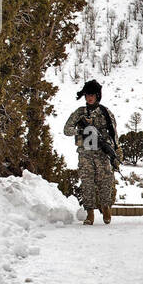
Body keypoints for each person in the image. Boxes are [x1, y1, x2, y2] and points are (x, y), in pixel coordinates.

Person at [62, 79, 118, 225]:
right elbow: (66, 130)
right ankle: (90, 213)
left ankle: (105, 208)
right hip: (85, 154)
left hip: (101, 153)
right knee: (87, 183)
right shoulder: (80, 113)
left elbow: (113, 133)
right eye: (87, 95)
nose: (89, 98)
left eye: (92, 95)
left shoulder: (105, 112)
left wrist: (113, 150)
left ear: (98, 95)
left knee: (105, 182)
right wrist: (81, 131)